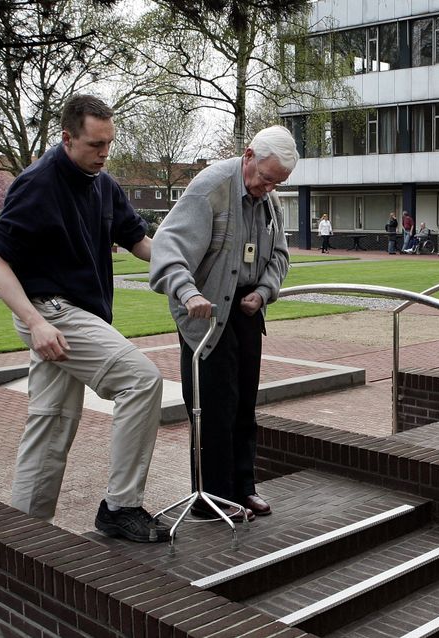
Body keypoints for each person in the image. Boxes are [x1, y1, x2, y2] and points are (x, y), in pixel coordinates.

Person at [0, 94, 168, 543]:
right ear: (67, 138)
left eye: (109, 145)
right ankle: (120, 506)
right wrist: (35, 323)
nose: (104, 154)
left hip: (77, 313)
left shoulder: (102, 183)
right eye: (94, 145)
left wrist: (182, 262)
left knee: (50, 420)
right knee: (141, 379)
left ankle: (23, 535)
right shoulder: (38, 184)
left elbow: (138, 241)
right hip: (50, 311)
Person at [149, 125, 296, 521]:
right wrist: (188, 293)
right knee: (212, 407)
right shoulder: (210, 187)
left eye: (277, 182)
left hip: (246, 311)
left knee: (244, 404)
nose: (268, 188)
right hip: (207, 314)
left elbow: (280, 255)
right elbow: (168, 247)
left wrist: (264, 291)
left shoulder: (269, 200)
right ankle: (210, 498)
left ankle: (243, 488)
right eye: (266, 178)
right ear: (248, 155)